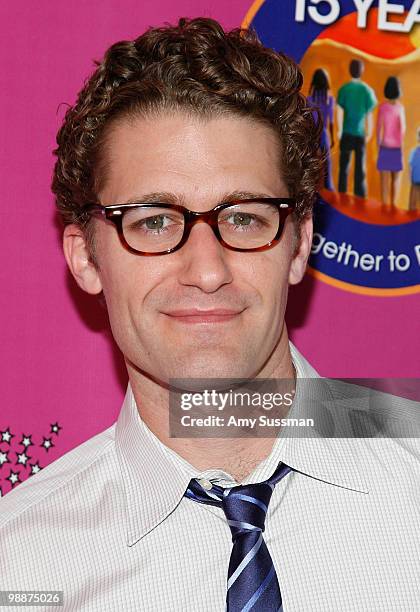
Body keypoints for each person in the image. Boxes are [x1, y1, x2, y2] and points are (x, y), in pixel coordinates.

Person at [1, 18, 419, 612]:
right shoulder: (16, 563)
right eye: (153, 222)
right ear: (86, 259)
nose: (206, 270)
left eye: (244, 217)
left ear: (298, 245)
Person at [337, 59, 377, 198]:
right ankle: (360, 195)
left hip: (346, 132)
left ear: (350, 70)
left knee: (344, 166)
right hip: (360, 134)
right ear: (362, 71)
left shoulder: (344, 89)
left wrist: (339, 131)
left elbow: (339, 112)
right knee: (360, 168)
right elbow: (369, 114)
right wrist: (369, 132)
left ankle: (341, 193)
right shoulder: (367, 90)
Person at [376, 76, 406, 206]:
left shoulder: (382, 107)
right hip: (396, 147)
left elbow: (379, 127)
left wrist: (378, 142)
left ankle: (384, 205)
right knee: (395, 179)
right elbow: (403, 129)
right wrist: (401, 144)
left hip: (385, 145)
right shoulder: (400, 108)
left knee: (384, 180)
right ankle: (393, 205)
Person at [307, 68, 335, 190]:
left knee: (312, 161)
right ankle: (329, 186)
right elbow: (331, 121)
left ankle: (312, 187)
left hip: (312, 133)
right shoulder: (329, 100)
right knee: (327, 161)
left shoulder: (309, 100)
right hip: (323, 132)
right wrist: (333, 137)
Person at [408, 127, 420, 210]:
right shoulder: (414, 151)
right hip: (415, 181)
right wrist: (410, 178)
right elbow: (410, 166)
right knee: (412, 203)